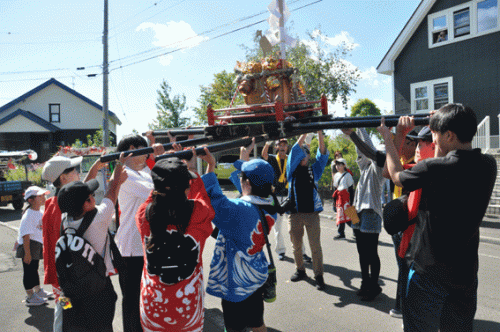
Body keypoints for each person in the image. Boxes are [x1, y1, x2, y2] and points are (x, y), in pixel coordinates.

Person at [378, 103, 497, 332]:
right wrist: (440, 125)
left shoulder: (435, 168)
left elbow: (394, 175)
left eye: (436, 135)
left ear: (450, 134)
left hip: (429, 273)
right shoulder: (488, 165)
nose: (433, 140)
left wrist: (393, 135)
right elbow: (446, 161)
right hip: (465, 274)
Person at [202, 143, 277, 332]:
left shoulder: (238, 211)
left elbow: (216, 200)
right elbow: (248, 193)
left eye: (242, 177)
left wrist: (210, 167)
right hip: (255, 278)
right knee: (257, 322)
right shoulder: (270, 206)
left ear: (248, 183)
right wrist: (243, 164)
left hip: (235, 284)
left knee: (234, 328)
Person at [135, 153, 214, 332]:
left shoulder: (144, 214)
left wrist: (159, 164)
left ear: (156, 188)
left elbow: (154, 197)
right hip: (187, 310)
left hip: (153, 308)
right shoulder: (200, 212)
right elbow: (203, 196)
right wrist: (192, 166)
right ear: (186, 188)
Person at [57, 153, 128, 331]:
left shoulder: (65, 218)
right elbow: (112, 190)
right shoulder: (100, 218)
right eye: (91, 195)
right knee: (102, 327)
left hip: (68, 292)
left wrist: (95, 168)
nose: (94, 197)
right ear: (87, 203)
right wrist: (121, 162)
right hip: (98, 291)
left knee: (72, 324)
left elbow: (77, 194)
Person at [41, 155, 105, 331]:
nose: (78, 173)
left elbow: (79, 193)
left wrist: (94, 170)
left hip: (61, 274)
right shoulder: (60, 207)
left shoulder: (53, 204)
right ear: (63, 178)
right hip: (65, 276)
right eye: (74, 170)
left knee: (66, 309)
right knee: (65, 311)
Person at [115, 134, 164, 332]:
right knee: (132, 299)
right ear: (133, 150)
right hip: (131, 248)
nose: (147, 156)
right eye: (144, 150)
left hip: (139, 246)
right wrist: (160, 159)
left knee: (143, 295)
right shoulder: (126, 174)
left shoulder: (141, 172)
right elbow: (158, 193)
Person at [342, 127, 386, 301]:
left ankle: (373, 286)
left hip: (371, 212)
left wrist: (358, 129)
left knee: (371, 252)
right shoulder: (364, 169)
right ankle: (365, 282)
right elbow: (362, 150)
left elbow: (369, 149)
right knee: (361, 252)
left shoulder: (379, 168)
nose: (362, 158)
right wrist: (355, 132)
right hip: (357, 211)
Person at [286, 131, 329, 290]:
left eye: (306, 153)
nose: (304, 155)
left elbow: (323, 155)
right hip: (295, 214)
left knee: (315, 246)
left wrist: (320, 135)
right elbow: (294, 151)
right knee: (296, 245)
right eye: (302, 152)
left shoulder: (314, 170)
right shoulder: (291, 170)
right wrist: (304, 132)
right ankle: (300, 270)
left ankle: (319, 275)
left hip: (312, 214)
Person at [262, 139, 311, 262]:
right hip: (276, 196)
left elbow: (304, 157)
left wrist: (307, 141)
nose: (282, 147)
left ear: (287, 147)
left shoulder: (291, 158)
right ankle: (281, 251)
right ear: (277, 147)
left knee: (296, 227)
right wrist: (268, 141)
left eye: (284, 145)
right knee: (277, 227)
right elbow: (264, 154)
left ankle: (303, 252)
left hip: (290, 195)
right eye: (280, 145)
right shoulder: (273, 158)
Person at [17, 186, 52, 306]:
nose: (44, 197)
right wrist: (27, 253)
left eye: (44, 195)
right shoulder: (29, 214)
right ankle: (30, 296)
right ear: (31, 200)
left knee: (34, 269)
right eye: (40, 196)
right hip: (28, 246)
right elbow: (25, 235)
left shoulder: (40, 212)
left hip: (36, 245)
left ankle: (38, 291)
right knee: (29, 271)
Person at [331, 158, 354, 239]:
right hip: (339, 198)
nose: (338, 166)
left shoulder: (348, 175)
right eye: (337, 165)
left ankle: (357, 231)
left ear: (344, 165)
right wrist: (334, 200)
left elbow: (351, 189)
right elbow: (335, 188)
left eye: (340, 165)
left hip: (346, 197)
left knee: (350, 215)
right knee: (340, 215)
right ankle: (341, 233)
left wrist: (352, 201)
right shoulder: (336, 175)